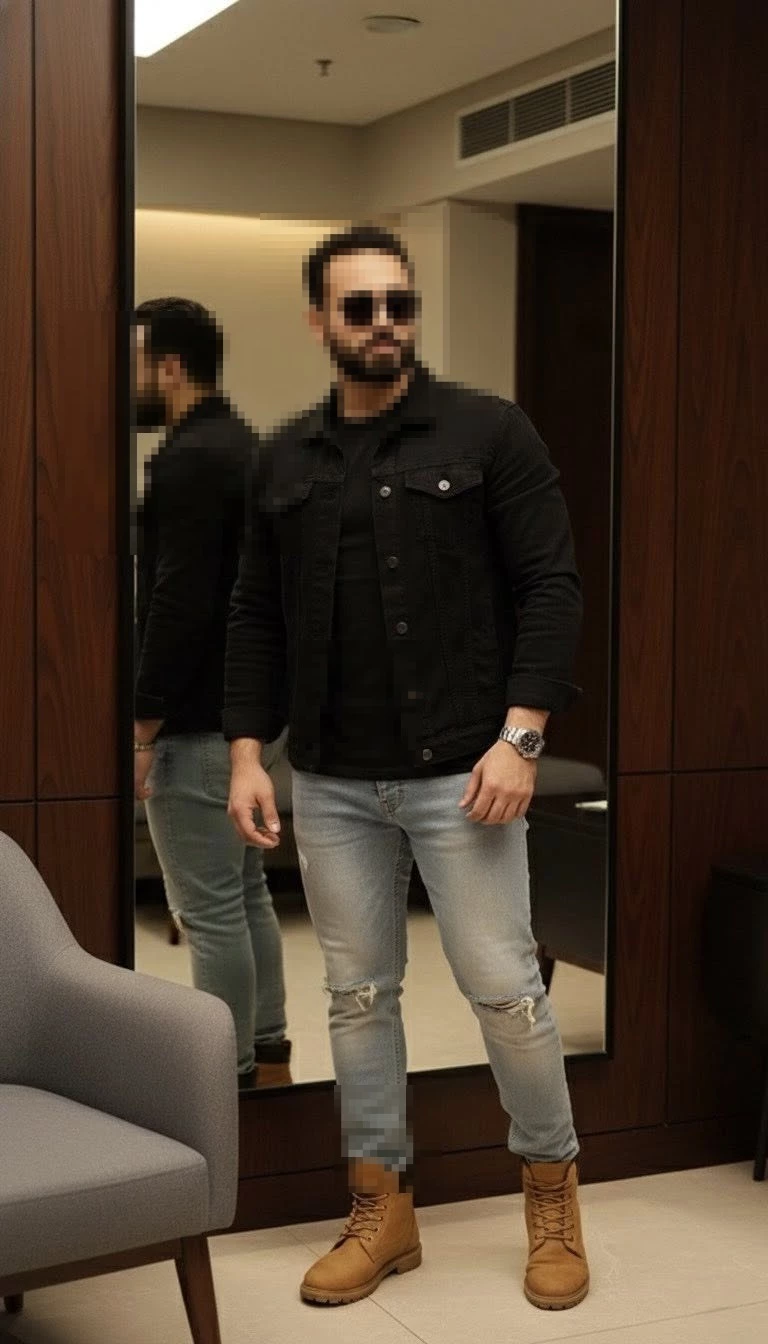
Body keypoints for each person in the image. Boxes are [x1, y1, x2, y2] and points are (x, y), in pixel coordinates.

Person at [224, 227, 589, 1308]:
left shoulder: (489, 431)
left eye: (400, 304)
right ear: (319, 323)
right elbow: (255, 615)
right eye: (360, 308)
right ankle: (383, 1209)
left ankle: (552, 1196)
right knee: (357, 997)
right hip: (333, 781)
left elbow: (553, 588)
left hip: (464, 777)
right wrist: (249, 752)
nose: (385, 323)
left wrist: (522, 737)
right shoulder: (282, 460)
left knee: (508, 995)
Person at [133, 297, 291, 1090]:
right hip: (239, 713)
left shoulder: (194, 458)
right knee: (243, 892)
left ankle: (228, 1083)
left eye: (134, 362)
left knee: (209, 909)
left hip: (193, 719)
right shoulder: (243, 445)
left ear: (168, 366)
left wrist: (140, 725)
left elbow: (179, 600)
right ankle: (267, 1054)